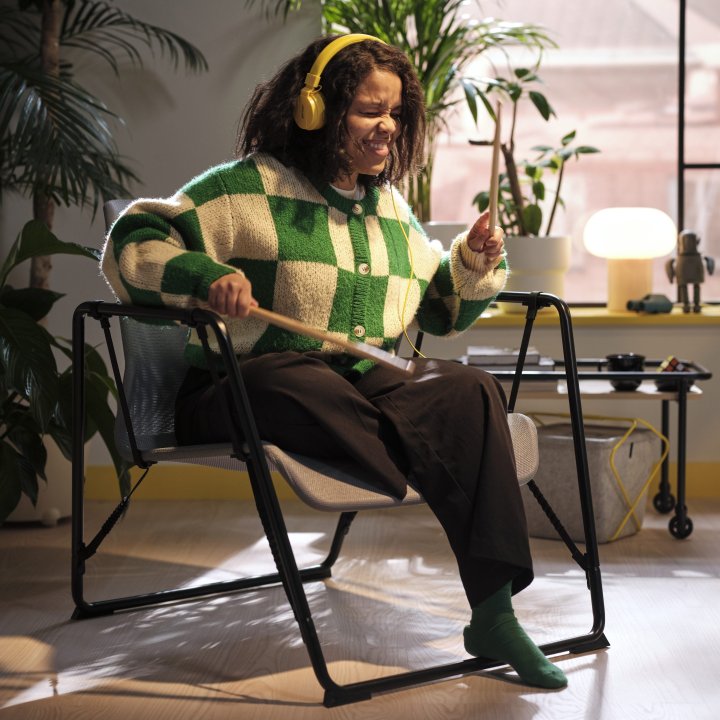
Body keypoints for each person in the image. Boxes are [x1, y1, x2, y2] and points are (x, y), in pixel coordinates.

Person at [101, 34, 567, 690]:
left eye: (396, 114)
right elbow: (133, 241)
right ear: (316, 109)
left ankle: (494, 612)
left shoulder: (387, 211)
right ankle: (430, 462)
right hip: (238, 386)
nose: (387, 128)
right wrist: (205, 275)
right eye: (369, 111)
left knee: (469, 390)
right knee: (290, 379)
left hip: (349, 389)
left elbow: (437, 313)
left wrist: (471, 260)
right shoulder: (245, 189)